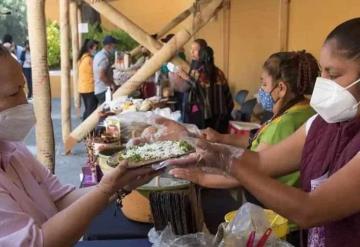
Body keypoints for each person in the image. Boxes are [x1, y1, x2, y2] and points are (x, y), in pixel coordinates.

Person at [165, 17, 360, 247]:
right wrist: (201, 145)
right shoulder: (321, 123)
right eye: (323, 72)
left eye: (333, 74)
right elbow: (260, 161)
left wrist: (227, 163)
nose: (322, 82)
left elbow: (310, 210)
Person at [0, 44, 162, 246]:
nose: (25, 101)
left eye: (23, 89)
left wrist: (118, 185)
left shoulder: (13, 149)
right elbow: (37, 243)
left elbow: (60, 199)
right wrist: (104, 190)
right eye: (14, 93)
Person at [177, 39, 234, 133]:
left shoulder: (198, 73)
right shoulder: (219, 72)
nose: (191, 52)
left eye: (195, 50)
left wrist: (187, 78)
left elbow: (200, 93)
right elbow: (228, 99)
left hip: (205, 118)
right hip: (221, 117)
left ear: (203, 52)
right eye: (191, 49)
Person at [93, 35, 118, 104]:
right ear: (109, 45)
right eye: (114, 46)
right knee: (107, 110)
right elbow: (102, 76)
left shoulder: (99, 55)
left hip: (100, 89)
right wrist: (112, 85)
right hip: (103, 90)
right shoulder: (104, 57)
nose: (115, 48)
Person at [78, 39, 98, 120]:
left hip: (83, 88)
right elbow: (95, 72)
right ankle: (86, 130)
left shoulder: (82, 58)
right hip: (89, 88)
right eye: (95, 48)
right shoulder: (89, 59)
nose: (96, 50)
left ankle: (84, 129)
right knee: (90, 111)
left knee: (87, 110)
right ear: (90, 48)